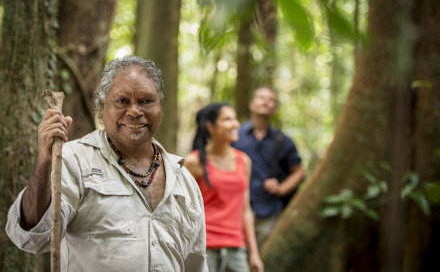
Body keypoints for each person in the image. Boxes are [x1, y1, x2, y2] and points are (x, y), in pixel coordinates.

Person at [6, 55, 208, 271]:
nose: (134, 111)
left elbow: (196, 263)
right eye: (122, 101)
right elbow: (32, 236)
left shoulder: (184, 180)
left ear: (160, 107)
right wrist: (45, 160)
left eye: (146, 101)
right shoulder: (74, 160)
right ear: (102, 108)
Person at [184, 103, 264, 272]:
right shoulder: (194, 162)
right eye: (227, 119)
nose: (235, 124)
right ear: (210, 127)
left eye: (235, 119)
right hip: (203, 248)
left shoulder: (244, 161)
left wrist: (254, 253)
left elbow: (245, 210)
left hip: (236, 248)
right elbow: (184, 210)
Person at [232, 85, 305, 250]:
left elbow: (299, 172)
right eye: (261, 98)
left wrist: (282, 188)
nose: (266, 102)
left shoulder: (283, 141)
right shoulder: (235, 135)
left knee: (264, 257)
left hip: (269, 212)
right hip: (236, 211)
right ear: (252, 104)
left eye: (271, 100)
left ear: (275, 108)